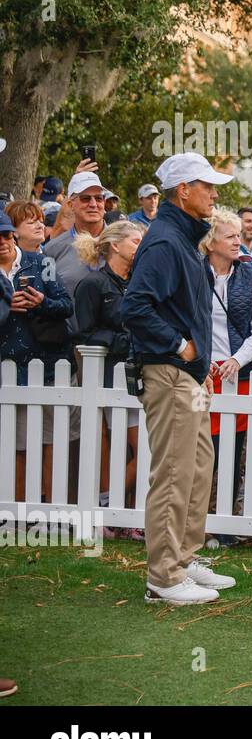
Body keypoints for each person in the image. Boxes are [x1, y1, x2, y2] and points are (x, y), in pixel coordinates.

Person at [120, 152, 238, 606]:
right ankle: (163, 578)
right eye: (205, 185)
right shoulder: (167, 242)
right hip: (168, 373)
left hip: (185, 376)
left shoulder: (181, 239)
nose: (213, 193)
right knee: (173, 472)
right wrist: (180, 347)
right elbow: (136, 307)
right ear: (182, 190)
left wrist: (197, 363)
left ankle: (183, 560)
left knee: (195, 467)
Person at [202, 209, 252, 542]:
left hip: (236, 375)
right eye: (230, 235)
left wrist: (236, 359)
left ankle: (225, 527)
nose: (238, 241)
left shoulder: (250, 275)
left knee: (232, 451)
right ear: (211, 240)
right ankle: (195, 524)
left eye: (239, 235)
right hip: (200, 373)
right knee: (201, 454)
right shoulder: (193, 271)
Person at [0, 209, 75, 500]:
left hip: (47, 365)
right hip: (8, 369)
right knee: (16, 444)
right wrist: (8, 310)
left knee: (50, 440)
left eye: (7, 234)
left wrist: (41, 302)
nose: (4, 241)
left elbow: (66, 306)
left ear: (14, 234)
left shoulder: (41, 262)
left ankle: (51, 507)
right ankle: (18, 510)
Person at [73, 220, 145, 513]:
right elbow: (84, 332)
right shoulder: (92, 284)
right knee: (117, 448)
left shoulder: (139, 281)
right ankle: (110, 505)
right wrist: (120, 340)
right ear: (115, 245)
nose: (141, 247)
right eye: (135, 242)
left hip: (138, 374)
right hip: (106, 376)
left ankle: (112, 503)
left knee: (143, 449)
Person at [44, 171, 108, 302]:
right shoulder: (52, 249)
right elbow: (47, 298)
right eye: (85, 198)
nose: (93, 204)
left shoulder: (122, 243)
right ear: (70, 205)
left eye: (99, 198)